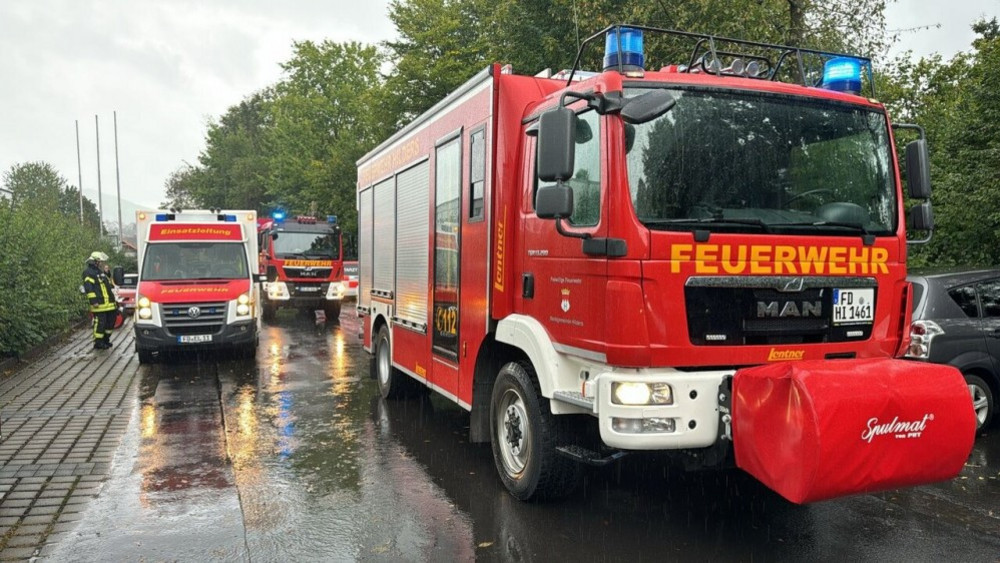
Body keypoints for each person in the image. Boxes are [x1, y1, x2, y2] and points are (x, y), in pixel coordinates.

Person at [82, 251, 117, 350]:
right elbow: (89, 288)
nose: (101, 263)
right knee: (100, 323)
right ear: (95, 261)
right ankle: (98, 342)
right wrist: (94, 301)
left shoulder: (100, 272)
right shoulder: (88, 272)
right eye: (99, 261)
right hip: (99, 304)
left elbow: (108, 286)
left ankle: (106, 340)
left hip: (109, 304)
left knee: (110, 322)